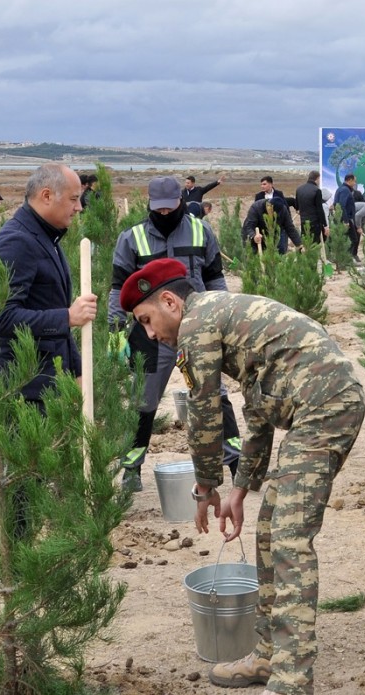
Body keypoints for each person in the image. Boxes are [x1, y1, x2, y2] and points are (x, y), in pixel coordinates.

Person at [122, 259, 365, 694]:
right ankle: (270, 656)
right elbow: (258, 409)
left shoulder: (197, 325)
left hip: (325, 409)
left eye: (147, 320)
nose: (151, 334)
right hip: (315, 410)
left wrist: (204, 487)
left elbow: (204, 411)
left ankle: (291, 681)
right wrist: (240, 489)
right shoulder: (222, 317)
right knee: (269, 529)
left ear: (170, 301)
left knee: (290, 542)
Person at [108, 176, 242, 493]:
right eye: (159, 209)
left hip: (198, 330)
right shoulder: (132, 238)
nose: (165, 214)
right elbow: (117, 289)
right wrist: (115, 330)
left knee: (215, 395)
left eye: (171, 208)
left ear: (181, 201)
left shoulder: (201, 230)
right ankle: (132, 468)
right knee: (143, 400)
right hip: (150, 333)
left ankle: (236, 461)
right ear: (149, 204)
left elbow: (214, 279)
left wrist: (224, 316)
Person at [0, 165, 96, 407]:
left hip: (51, 383)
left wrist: (77, 371)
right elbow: (1, 318)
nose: (79, 207)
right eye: (73, 199)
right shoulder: (17, 241)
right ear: (47, 196)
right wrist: (67, 316)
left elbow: (50, 309)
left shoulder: (47, 237)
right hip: (26, 390)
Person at [332, 173, 365, 260]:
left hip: (343, 218)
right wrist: (346, 221)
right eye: (354, 181)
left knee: (347, 239)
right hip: (345, 219)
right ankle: (347, 260)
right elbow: (341, 205)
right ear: (349, 180)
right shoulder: (345, 190)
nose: (355, 183)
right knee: (353, 239)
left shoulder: (341, 189)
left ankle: (344, 260)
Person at [294, 170, 328, 244]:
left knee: (305, 242)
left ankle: (302, 255)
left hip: (303, 221)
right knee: (314, 243)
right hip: (314, 222)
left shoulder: (299, 189)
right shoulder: (317, 190)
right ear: (317, 178)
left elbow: (297, 206)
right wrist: (325, 225)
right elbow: (320, 209)